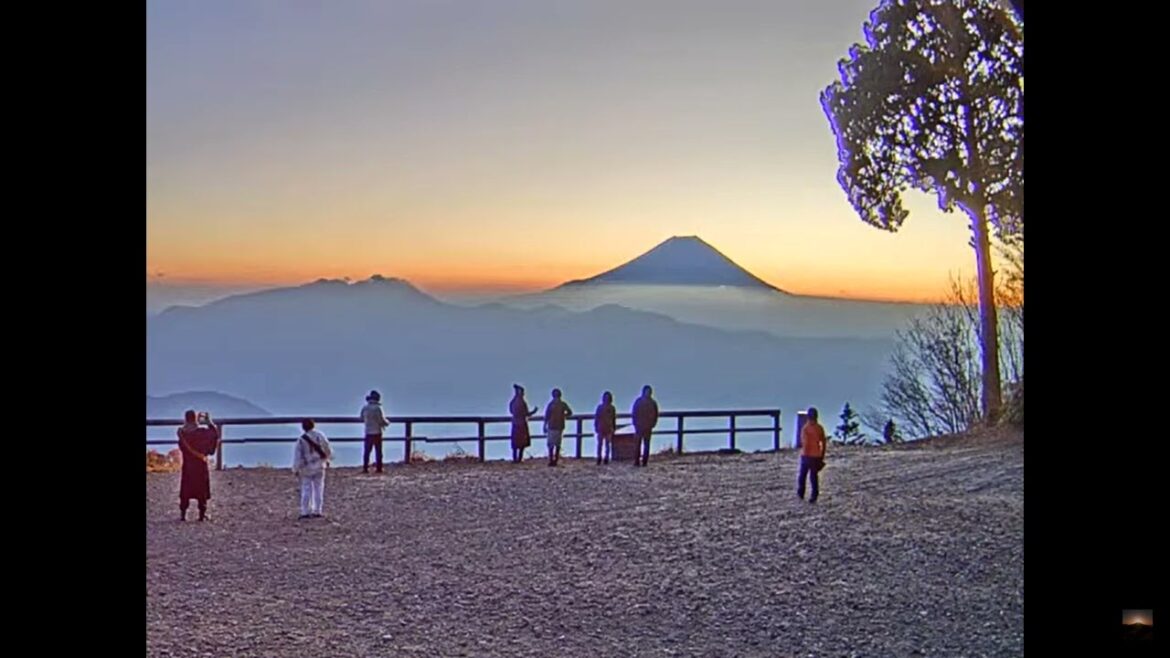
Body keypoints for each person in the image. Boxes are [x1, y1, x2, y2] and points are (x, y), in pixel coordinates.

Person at [177, 410, 220, 521]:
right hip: (200, 465)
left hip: (187, 466)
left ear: (185, 419)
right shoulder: (202, 433)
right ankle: (201, 514)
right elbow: (215, 435)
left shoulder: (182, 433)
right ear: (196, 419)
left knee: (186, 489)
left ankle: (183, 514)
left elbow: (182, 447)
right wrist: (209, 422)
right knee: (201, 489)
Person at [292, 419, 333, 519]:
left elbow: (298, 456)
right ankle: (317, 510)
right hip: (319, 464)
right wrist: (327, 458)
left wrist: (296, 469)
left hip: (307, 467)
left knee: (306, 488)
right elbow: (327, 447)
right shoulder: (320, 435)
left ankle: (305, 511)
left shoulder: (301, 440)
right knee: (318, 488)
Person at [797, 407, 828, 503]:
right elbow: (823, 441)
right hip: (816, 455)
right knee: (813, 476)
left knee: (802, 476)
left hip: (807, 455)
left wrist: (804, 454)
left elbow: (804, 443)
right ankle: (814, 495)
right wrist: (822, 455)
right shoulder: (819, 428)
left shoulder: (805, 428)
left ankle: (801, 493)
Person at [360, 390, 390, 474]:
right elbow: (381, 420)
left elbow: (361, 418)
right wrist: (387, 422)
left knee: (367, 451)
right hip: (377, 432)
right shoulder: (378, 408)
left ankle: (365, 468)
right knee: (378, 451)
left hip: (368, 431)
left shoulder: (365, 408)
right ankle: (379, 468)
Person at [543, 388, 573, 467]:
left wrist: (544, 425)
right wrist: (564, 416)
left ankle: (552, 460)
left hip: (553, 426)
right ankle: (555, 460)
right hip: (558, 426)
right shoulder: (562, 404)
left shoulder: (551, 404)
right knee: (557, 444)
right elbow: (570, 412)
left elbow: (547, 416)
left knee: (551, 444)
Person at [509, 384, 538, 463]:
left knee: (515, 442)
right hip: (521, 423)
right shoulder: (521, 402)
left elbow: (511, 411)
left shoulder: (513, 401)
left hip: (515, 423)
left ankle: (515, 458)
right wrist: (534, 411)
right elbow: (526, 413)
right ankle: (519, 458)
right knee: (522, 442)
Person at [631, 385, 659, 467]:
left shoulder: (653, 403)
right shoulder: (638, 402)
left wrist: (653, 424)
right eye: (647, 391)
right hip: (639, 426)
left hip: (648, 427)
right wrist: (635, 423)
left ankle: (645, 461)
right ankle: (636, 461)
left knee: (646, 445)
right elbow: (634, 413)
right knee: (637, 445)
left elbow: (656, 414)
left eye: (649, 392)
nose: (648, 393)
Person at [594, 391, 616, 465]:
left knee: (607, 444)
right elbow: (596, 418)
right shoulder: (600, 407)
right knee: (600, 444)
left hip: (608, 428)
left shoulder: (612, 408)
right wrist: (596, 426)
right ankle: (599, 457)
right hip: (601, 428)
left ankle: (606, 458)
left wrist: (613, 427)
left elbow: (613, 419)